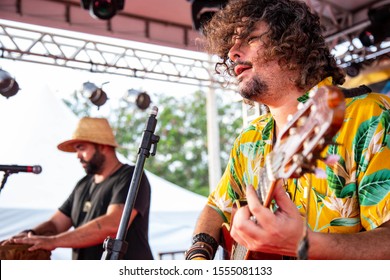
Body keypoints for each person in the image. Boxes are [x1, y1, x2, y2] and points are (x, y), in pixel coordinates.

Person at [186, 0, 390, 260]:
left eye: (249, 38)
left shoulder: (369, 116)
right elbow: (217, 206)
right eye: (230, 45)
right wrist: (197, 255)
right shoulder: (249, 138)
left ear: (292, 44)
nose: (233, 53)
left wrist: (306, 245)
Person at [1, 117, 154, 260]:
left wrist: (52, 241)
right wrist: (30, 235)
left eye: (81, 148)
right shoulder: (83, 184)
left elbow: (113, 225)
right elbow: (56, 223)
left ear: (102, 146)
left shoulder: (131, 176)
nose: (77, 156)